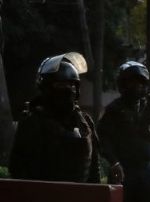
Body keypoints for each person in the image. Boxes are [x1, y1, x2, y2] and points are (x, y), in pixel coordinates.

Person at [9, 52, 104, 184]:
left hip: (80, 200)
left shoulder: (85, 123)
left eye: (72, 85)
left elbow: (94, 170)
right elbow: (18, 170)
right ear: (47, 87)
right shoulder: (33, 122)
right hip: (43, 199)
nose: (68, 90)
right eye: (61, 85)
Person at [98, 61, 150, 202]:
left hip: (147, 172)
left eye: (140, 82)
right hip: (124, 171)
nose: (137, 87)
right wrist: (114, 162)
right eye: (132, 82)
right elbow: (103, 138)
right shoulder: (114, 110)